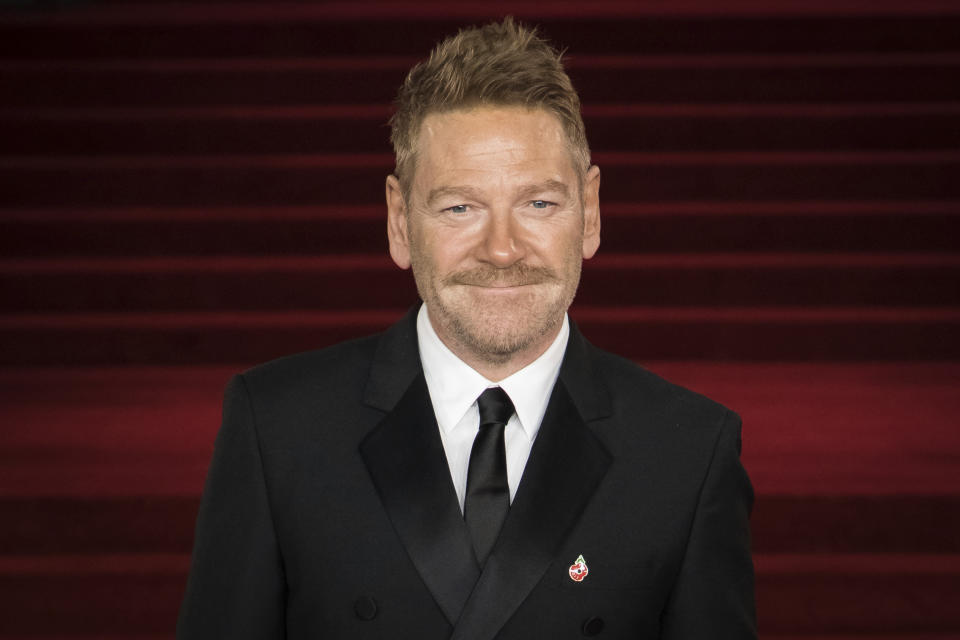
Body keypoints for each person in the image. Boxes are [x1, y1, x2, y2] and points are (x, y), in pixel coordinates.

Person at [177, 18, 756, 640]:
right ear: (400, 222)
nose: (502, 250)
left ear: (590, 213)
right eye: (460, 207)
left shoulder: (690, 452)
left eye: (539, 204)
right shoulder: (276, 428)